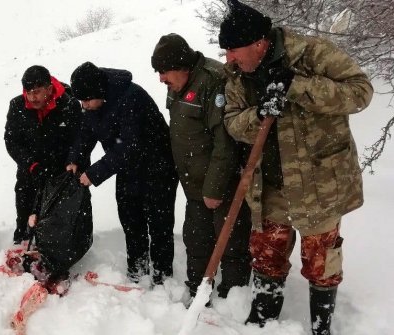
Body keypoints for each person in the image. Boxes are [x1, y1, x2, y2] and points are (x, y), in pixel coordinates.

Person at [218, 1, 373, 333]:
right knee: (266, 255)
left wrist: (298, 87)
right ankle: (262, 320)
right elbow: (232, 121)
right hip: (269, 185)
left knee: (321, 261)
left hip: (319, 185)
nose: (228, 58)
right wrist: (258, 114)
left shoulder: (312, 54)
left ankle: (321, 326)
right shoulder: (236, 75)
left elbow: (361, 93)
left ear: (259, 43)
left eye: (233, 49)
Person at [151, 33, 252, 301]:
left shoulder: (213, 81)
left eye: (164, 71)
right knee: (196, 240)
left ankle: (233, 298)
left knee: (231, 243)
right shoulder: (177, 85)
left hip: (221, 183)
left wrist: (215, 188)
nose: (161, 78)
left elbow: (225, 142)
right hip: (194, 182)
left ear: (182, 65)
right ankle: (198, 290)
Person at [68, 61, 179, 285]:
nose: (84, 105)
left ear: (99, 92)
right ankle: (137, 271)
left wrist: (94, 173)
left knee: (159, 225)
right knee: (131, 221)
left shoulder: (131, 97)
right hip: (127, 169)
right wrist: (75, 159)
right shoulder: (93, 104)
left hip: (159, 167)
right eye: (81, 101)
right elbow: (86, 133)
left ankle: (162, 276)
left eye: (87, 100)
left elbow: (131, 146)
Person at [4, 65, 87, 244]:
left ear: (49, 88)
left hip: (61, 173)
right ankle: (23, 247)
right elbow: (12, 141)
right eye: (28, 92)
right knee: (26, 215)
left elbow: (79, 140)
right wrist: (31, 165)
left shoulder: (69, 105)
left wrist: (71, 167)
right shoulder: (17, 106)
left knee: (58, 221)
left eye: (37, 91)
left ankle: (56, 256)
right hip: (30, 171)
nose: (32, 97)